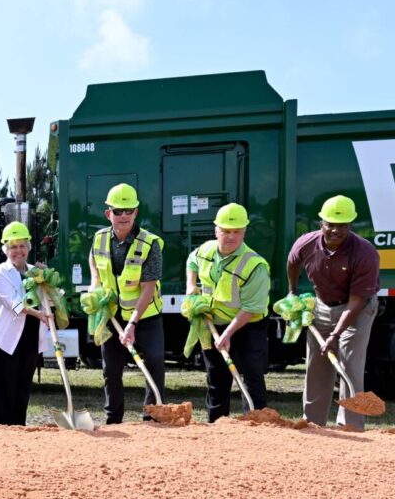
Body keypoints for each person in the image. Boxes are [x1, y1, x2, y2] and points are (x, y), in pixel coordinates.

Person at [287, 195, 379, 430]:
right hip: (322, 305)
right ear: (321, 224)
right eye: (331, 224)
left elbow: (357, 300)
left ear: (351, 226)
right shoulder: (306, 243)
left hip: (357, 310)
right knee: (317, 364)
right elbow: (292, 261)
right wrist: (292, 292)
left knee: (349, 362)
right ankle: (313, 422)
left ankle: (350, 425)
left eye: (342, 225)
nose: (336, 230)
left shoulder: (365, 253)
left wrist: (335, 335)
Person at [87, 183, 166, 423]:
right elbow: (94, 262)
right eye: (118, 211)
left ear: (136, 212)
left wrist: (132, 323)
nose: (123, 216)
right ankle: (113, 418)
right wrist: (95, 284)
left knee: (153, 362)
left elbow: (148, 287)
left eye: (128, 210)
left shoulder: (150, 243)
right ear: (108, 213)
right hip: (112, 315)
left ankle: (152, 416)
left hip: (146, 316)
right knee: (111, 369)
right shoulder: (99, 238)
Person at [186, 203, 271, 422]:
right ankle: (216, 425)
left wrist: (228, 334)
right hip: (214, 323)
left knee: (251, 375)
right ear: (216, 230)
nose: (231, 237)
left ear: (244, 231)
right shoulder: (205, 250)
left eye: (237, 231)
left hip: (248, 326)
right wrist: (191, 286)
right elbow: (191, 261)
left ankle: (256, 423)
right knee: (216, 378)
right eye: (226, 231)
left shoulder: (255, 265)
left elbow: (251, 308)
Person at [0, 222, 51, 425]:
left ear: (28, 248)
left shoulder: (36, 271)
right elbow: (12, 302)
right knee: (5, 389)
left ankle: (19, 430)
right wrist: (38, 314)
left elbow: (52, 297)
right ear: (6, 249)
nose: (18, 251)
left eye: (22, 246)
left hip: (29, 336)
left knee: (23, 387)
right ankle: (2, 431)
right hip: (4, 338)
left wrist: (46, 278)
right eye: (13, 247)